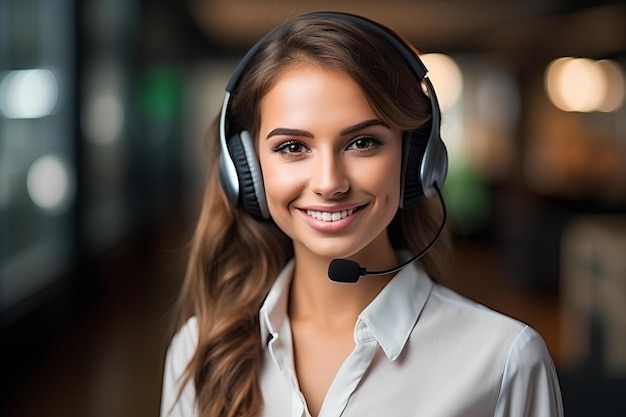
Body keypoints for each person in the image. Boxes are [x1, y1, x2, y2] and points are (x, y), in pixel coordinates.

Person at [160, 11, 564, 417]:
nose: (329, 183)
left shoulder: (504, 362)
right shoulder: (198, 353)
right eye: (292, 147)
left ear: (416, 160)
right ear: (245, 170)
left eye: (363, 142)